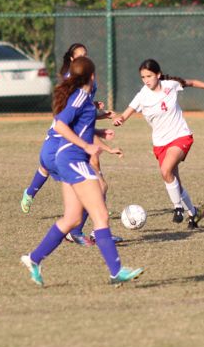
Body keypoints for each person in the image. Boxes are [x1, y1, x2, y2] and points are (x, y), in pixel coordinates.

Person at [20, 56, 143, 286]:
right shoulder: (80, 97)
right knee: (101, 215)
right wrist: (86, 145)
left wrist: (99, 133)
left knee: (72, 218)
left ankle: (34, 259)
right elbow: (60, 124)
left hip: (68, 159)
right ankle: (116, 271)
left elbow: (80, 125)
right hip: (73, 159)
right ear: (92, 77)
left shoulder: (83, 98)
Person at [20, 43, 122, 246]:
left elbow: (77, 121)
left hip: (55, 148)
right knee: (98, 187)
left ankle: (39, 255)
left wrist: (98, 122)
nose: (85, 58)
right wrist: (91, 144)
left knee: (77, 208)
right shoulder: (77, 89)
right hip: (62, 149)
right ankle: (86, 232)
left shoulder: (82, 91)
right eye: (80, 56)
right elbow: (62, 124)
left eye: (87, 55)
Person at [113, 59, 204, 229]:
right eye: (143, 77)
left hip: (180, 136)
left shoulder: (170, 85)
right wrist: (119, 119)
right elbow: (126, 114)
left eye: (149, 76)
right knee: (174, 182)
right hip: (160, 144)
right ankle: (194, 213)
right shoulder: (142, 96)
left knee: (165, 171)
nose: (146, 80)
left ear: (158, 75)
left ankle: (177, 208)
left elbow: (192, 82)